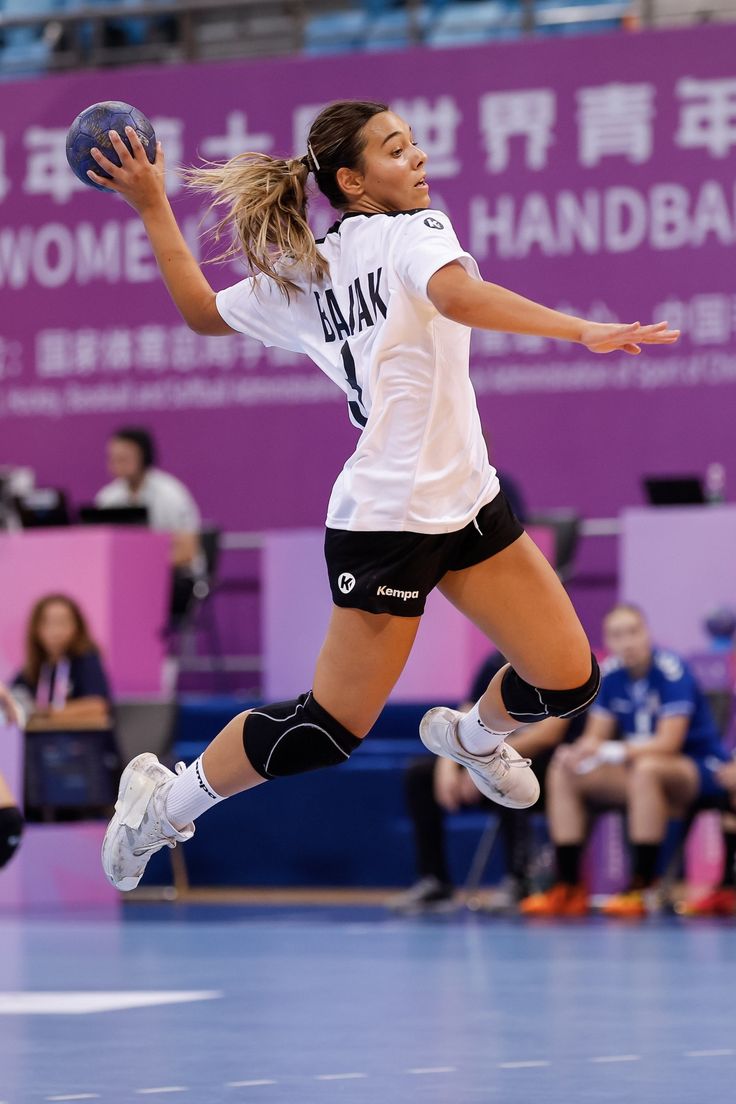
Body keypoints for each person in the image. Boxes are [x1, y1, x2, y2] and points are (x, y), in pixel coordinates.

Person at [86, 99, 679, 892]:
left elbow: (199, 311)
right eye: (398, 150)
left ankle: (470, 737)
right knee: (326, 731)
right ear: (355, 183)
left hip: (468, 500)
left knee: (568, 679)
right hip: (387, 524)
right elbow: (460, 299)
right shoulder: (403, 237)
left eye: (415, 144)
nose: (420, 159)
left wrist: (154, 204)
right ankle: (162, 802)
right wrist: (584, 331)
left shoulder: (325, 262)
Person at [520, 604, 731, 918]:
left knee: (647, 770)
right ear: (609, 642)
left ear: (647, 634)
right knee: (564, 769)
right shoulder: (610, 674)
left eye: (634, 632)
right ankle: (567, 886)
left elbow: (668, 743)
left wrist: (611, 751)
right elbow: (595, 735)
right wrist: (579, 751)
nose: (628, 641)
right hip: (638, 772)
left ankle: (641, 887)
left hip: (696, 767)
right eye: (618, 635)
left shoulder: (672, 669)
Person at [389, 651, 581, 913]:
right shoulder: (493, 662)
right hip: (484, 755)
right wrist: (450, 764)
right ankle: (434, 880)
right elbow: (464, 716)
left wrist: (484, 762)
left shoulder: (557, 663)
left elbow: (548, 734)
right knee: (420, 774)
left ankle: (518, 880)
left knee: (510, 780)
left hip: (537, 764)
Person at [95, 426, 204, 621]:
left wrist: (145, 567)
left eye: (124, 457)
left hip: (174, 579)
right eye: (113, 457)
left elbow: (188, 551)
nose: (117, 463)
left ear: (143, 456)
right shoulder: (107, 498)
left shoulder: (171, 494)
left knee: (139, 590)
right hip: (124, 579)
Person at [0, 594, 112, 730]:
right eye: (47, 623)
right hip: (38, 744)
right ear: (36, 628)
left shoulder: (86, 661)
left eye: (62, 622)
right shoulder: (34, 667)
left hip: (83, 743)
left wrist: (42, 713)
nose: (55, 631)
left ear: (77, 626)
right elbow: (10, 702)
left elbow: (97, 706)